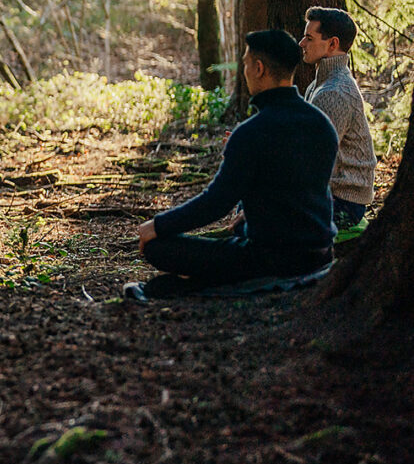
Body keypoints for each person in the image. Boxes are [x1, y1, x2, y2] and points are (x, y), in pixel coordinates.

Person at [129, 29, 337, 299]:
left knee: (158, 247)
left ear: (259, 68)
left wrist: (157, 225)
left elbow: (215, 203)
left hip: (269, 259)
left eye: (245, 63)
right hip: (320, 254)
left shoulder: (252, 132)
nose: (245, 71)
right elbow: (299, 188)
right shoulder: (322, 124)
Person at [299, 6, 377, 229]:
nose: (301, 44)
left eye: (308, 38)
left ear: (332, 44)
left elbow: (310, 162)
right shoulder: (319, 85)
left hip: (343, 204)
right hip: (328, 195)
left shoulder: (334, 93)